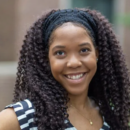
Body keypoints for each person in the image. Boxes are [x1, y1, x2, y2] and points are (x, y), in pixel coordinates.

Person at [0, 8, 130, 130]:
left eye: (84, 50)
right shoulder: (21, 118)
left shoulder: (111, 114)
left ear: (96, 53)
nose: (74, 63)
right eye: (60, 53)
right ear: (46, 59)